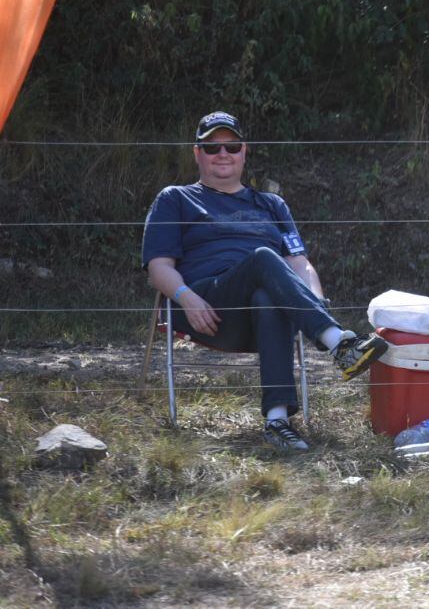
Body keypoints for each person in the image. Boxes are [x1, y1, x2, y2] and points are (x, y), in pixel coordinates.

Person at [141, 112, 388, 451]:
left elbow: (301, 265)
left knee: (267, 296)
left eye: (232, 146)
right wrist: (185, 296)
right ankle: (339, 344)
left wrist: (313, 301)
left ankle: (277, 421)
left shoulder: (272, 205)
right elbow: (158, 268)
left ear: (245, 151)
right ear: (197, 153)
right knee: (262, 257)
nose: (223, 154)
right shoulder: (176, 199)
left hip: (260, 315)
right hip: (206, 307)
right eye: (212, 148)